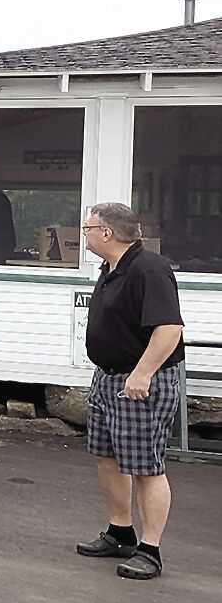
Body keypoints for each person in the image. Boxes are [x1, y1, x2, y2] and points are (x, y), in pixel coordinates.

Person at [75, 202, 184, 581]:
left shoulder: (149, 269)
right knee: (107, 457)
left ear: (107, 233)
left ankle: (150, 551)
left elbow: (169, 328)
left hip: (140, 383)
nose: (84, 234)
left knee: (145, 466)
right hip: (108, 379)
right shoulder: (110, 269)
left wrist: (142, 373)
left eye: (87, 228)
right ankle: (120, 532)